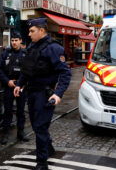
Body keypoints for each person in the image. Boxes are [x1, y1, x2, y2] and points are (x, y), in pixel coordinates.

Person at [13, 18, 71, 170]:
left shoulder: (54, 48)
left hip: (44, 95)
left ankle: (41, 163)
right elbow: (27, 70)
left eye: (32, 31)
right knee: (37, 125)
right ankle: (49, 148)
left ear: (42, 30)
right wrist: (19, 84)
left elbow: (65, 73)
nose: (29, 34)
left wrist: (58, 94)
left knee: (39, 127)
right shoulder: (32, 46)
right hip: (31, 93)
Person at [0, 32, 29, 145]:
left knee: (21, 111)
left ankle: (21, 132)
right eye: (12, 40)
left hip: (21, 87)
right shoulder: (6, 53)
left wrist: (21, 83)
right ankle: (5, 134)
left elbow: (29, 71)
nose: (14, 42)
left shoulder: (26, 53)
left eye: (16, 40)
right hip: (9, 86)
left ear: (20, 41)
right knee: (8, 111)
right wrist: (7, 81)